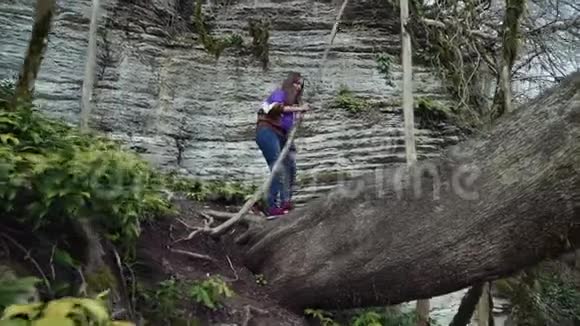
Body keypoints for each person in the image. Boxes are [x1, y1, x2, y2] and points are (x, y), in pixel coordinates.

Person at [255, 72, 309, 217]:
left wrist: (299, 115)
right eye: (296, 83)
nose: (298, 87)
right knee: (277, 167)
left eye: (300, 85)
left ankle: (286, 202)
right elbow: (275, 108)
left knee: (290, 167)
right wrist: (299, 109)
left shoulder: (293, 103)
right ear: (289, 83)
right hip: (268, 131)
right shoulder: (280, 94)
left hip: (282, 136)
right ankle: (272, 207)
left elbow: (289, 121)